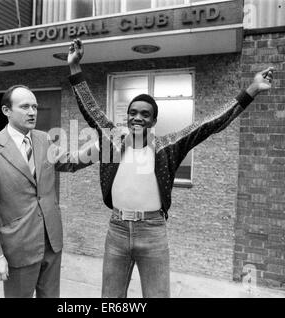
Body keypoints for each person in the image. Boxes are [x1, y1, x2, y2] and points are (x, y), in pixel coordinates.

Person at [67, 39, 274, 298]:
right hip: (117, 229)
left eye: (145, 114)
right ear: (126, 116)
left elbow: (210, 123)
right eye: (133, 112)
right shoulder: (112, 139)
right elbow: (90, 109)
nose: (137, 117)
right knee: (111, 299)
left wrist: (252, 89)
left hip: (153, 232)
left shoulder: (168, 146)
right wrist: (75, 68)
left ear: (154, 120)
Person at [0, 84, 97, 298]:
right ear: (6, 111)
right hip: (18, 246)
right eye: (25, 107)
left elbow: (71, 161)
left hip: (51, 240)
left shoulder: (43, 139)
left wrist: (101, 146)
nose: (32, 112)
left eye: (35, 107)